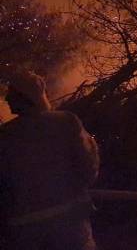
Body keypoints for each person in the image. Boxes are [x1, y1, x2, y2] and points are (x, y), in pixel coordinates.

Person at [0, 69, 100, 250]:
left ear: (23, 96)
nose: (6, 99)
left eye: (11, 93)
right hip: (71, 229)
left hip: (23, 234)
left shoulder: (4, 136)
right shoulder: (66, 122)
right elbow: (89, 167)